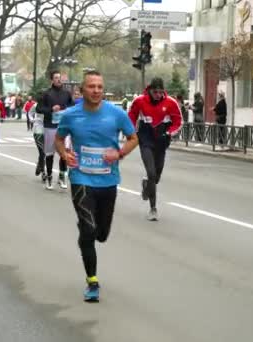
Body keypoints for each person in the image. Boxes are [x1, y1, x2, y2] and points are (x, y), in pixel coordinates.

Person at [55, 70, 139, 302]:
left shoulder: (116, 114)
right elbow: (59, 140)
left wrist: (119, 153)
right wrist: (65, 154)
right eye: (91, 86)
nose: (96, 90)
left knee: (101, 234)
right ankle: (92, 281)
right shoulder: (71, 115)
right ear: (82, 90)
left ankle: (87, 228)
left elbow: (133, 138)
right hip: (81, 178)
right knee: (88, 230)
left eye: (100, 87)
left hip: (108, 181)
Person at [128, 77, 182, 221]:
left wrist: (169, 132)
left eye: (160, 92)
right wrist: (131, 131)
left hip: (161, 141)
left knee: (155, 178)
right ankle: (153, 209)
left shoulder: (171, 103)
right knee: (151, 173)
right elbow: (131, 116)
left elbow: (178, 121)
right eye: (155, 92)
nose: (158, 95)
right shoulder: (140, 101)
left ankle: (147, 184)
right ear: (150, 90)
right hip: (145, 139)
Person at [38, 70, 74, 190]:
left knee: (64, 153)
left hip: (64, 127)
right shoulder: (46, 93)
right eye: (56, 78)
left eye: (60, 77)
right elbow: (39, 109)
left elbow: (72, 106)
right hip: (50, 126)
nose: (59, 80)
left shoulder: (66, 93)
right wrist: (51, 109)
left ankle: (62, 177)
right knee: (50, 153)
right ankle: (49, 178)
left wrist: (64, 108)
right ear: (52, 80)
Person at [30, 93, 46, 181]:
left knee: (45, 153)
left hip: (47, 130)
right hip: (37, 130)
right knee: (42, 152)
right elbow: (29, 113)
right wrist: (33, 120)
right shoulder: (36, 105)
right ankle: (43, 172)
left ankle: (39, 165)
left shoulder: (49, 105)